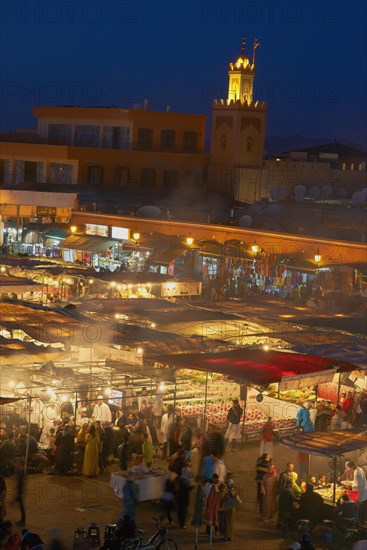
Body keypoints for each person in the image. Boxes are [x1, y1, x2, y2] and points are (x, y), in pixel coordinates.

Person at [176, 462, 194, 529]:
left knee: (180, 510)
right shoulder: (186, 481)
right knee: (183, 510)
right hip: (184, 497)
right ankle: (182, 524)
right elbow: (187, 488)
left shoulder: (180, 478)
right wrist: (192, 487)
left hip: (179, 496)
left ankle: (181, 522)